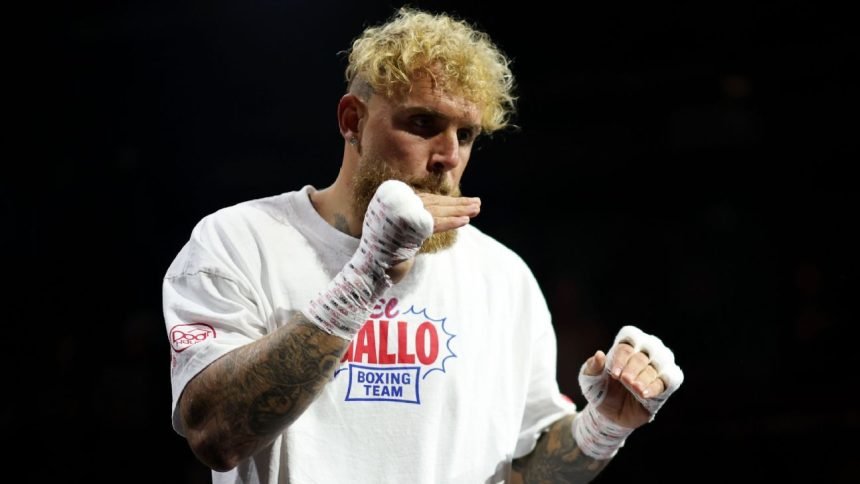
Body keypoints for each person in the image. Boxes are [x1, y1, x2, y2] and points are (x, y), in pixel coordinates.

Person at [162, 7, 684, 483]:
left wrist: (603, 427)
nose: (448, 156)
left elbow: (523, 471)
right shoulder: (241, 241)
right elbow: (213, 435)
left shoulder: (502, 276)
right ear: (352, 121)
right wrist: (366, 275)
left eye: (466, 134)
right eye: (423, 124)